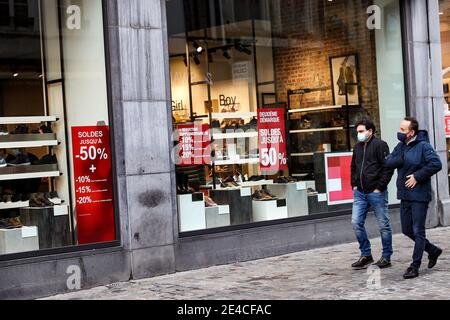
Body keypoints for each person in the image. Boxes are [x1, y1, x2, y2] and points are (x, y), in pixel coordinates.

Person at [385, 117, 443, 279]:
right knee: (407, 230)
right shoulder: (401, 146)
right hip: (405, 195)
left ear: (411, 133)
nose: (400, 131)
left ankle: (414, 266)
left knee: (418, 231)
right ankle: (433, 250)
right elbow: (389, 162)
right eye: (400, 128)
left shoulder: (424, 146)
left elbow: (436, 164)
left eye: (403, 129)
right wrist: (399, 158)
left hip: (419, 195)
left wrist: (417, 176)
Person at [350, 119, 394, 270]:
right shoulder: (357, 147)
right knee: (356, 223)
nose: (359, 134)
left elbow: (388, 168)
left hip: (376, 192)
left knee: (383, 225)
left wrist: (379, 187)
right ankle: (366, 255)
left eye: (361, 131)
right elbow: (353, 167)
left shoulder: (380, 145)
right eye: (358, 132)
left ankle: (386, 256)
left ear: (370, 131)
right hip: (360, 193)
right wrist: (354, 185)